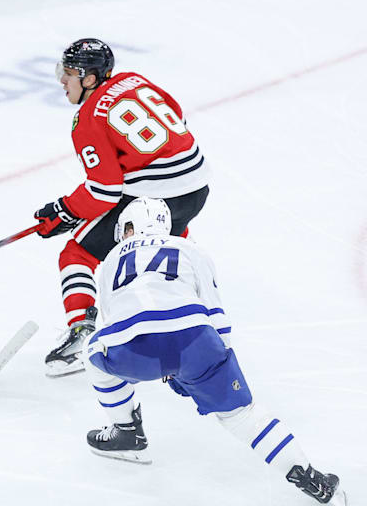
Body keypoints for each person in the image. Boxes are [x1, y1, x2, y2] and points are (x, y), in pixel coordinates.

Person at [82, 197, 345, 505]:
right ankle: (310, 478)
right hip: (195, 340)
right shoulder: (191, 249)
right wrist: (214, 368)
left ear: (130, 226)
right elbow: (217, 315)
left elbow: (114, 320)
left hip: (133, 349)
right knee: (242, 414)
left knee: (92, 355)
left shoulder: (110, 260)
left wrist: (157, 360)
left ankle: (127, 431)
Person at [33, 38, 210, 377]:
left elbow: (104, 190)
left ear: (89, 79)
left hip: (156, 194)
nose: (61, 81)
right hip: (196, 188)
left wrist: (65, 210)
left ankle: (81, 336)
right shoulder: (134, 80)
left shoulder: (86, 118)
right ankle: (190, 313)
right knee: (170, 238)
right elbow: (177, 116)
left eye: (69, 73)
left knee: (77, 254)